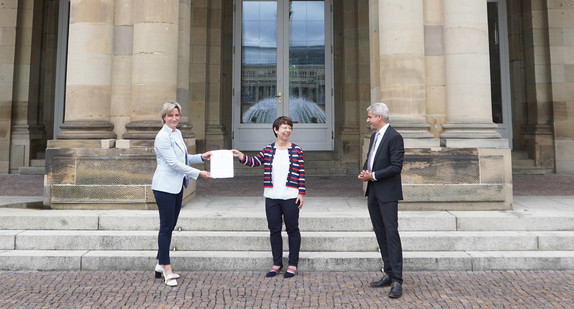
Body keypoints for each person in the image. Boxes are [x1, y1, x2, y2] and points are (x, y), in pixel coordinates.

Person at [231, 116, 305, 278]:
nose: (287, 130)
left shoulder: (296, 150)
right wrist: (241, 156)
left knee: (293, 229)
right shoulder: (268, 149)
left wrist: (301, 193)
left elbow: (301, 173)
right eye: (284, 127)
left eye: (289, 127)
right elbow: (255, 162)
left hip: (291, 195)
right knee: (274, 230)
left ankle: (292, 264)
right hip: (272, 196)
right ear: (276, 130)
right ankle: (277, 263)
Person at [152, 101, 213, 287]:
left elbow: (183, 158)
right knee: (165, 228)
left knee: (170, 226)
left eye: (177, 115)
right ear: (164, 117)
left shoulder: (177, 133)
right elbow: (174, 164)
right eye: (170, 115)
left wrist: (201, 157)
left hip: (177, 186)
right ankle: (167, 269)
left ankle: (160, 264)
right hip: (164, 187)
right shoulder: (162, 137)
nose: (174, 118)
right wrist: (198, 173)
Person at [358, 102, 405, 298]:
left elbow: (396, 166)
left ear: (379, 117)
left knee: (391, 233)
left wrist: (373, 175)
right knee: (380, 233)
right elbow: (372, 158)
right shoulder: (374, 137)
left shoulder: (394, 137)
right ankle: (388, 273)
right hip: (374, 192)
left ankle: (397, 281)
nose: (367, 120)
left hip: (387, 193)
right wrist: (365, 171)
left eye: (370, 117)